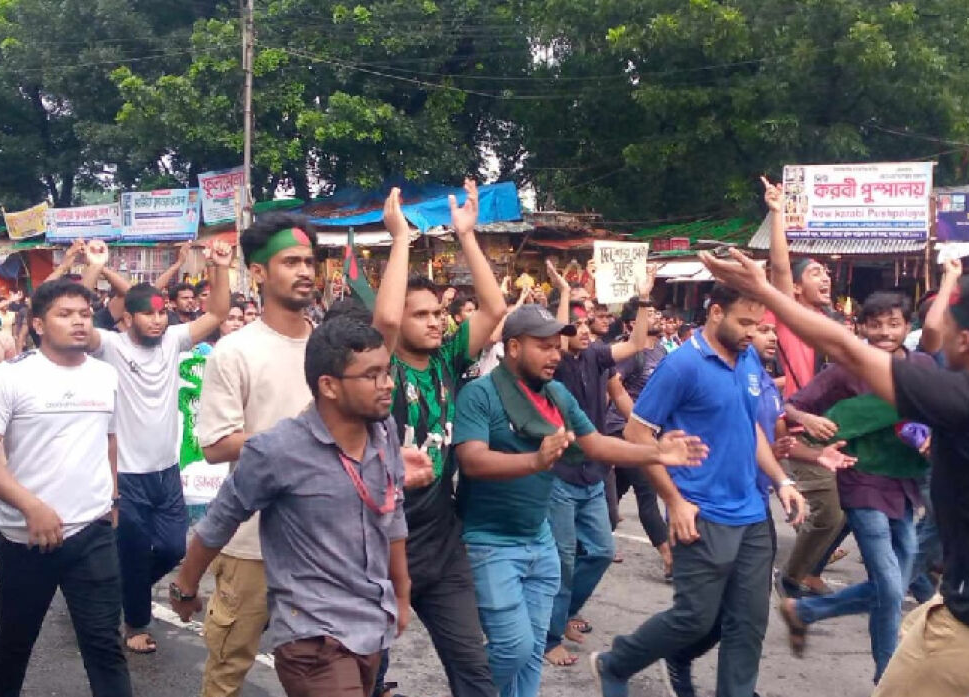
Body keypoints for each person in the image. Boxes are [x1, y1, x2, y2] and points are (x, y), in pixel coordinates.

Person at [700, 175, 969, 697]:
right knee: (908, 607)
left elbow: (849, 349)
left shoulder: (964, 398)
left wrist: (760, 289)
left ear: (966, 340)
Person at [453, 303, 707, 697]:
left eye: (558, 345)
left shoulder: (555, 393)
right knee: (512, 648)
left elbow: (596, 444)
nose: (556, 354)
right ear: (514, 347)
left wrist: (657, 452)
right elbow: (471, 461)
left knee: (533, 650)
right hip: (491, 543)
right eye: (545, 346)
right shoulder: (479, 393)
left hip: (539, 541)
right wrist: (535, 460)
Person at [172, 318, 410, 697]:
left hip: (370, 626)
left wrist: (401, 592)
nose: (388, 385)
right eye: (372, 375)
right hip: (312, 637)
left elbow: (392, 515)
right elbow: (221, 519)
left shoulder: (383, 434)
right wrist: (185, 586)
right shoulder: (277, 449)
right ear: (329, 386)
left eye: (387, 372)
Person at [589, 283, 806, 697]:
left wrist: (782, 481)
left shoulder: (747, 362)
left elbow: (752, 428)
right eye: (744, 322)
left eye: (756, 325)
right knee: (694, 618)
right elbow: (637, 432)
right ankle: (616, 664)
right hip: (700, 511)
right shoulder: (682, 365)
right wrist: (674, 500)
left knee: (748, 624)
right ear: (716, 313)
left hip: (753, 514)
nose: (751, 332)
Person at [0, 278, 132, 697]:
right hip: (27, 537)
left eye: (83, 313)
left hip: (92, 533)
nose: (79, 321)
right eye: (65, 314)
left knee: (105, 647)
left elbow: (109, 439)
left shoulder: (105, 376)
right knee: (16, 643)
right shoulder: (11, 376)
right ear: (38, 324)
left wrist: (112, 499)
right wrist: (30, 506)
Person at [370, 182, 505, 697]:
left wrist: (468, 237)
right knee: (364, 674)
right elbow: (383, 318)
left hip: (441, 538)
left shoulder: (447, 363)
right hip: (379, 542)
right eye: (420, 314)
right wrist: (401, 239)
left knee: (474, 668)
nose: (434, 322)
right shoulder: (379, 369)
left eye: (436, 314)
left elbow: (492, 312)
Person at [76, 239, 233, 654]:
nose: (159, 321)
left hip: (166, 473)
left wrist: (220, 267)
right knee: (130, 551)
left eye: (162, 313)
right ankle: (136, 624)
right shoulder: (109, 346)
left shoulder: (175, 341)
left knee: (171, 548)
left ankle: (120, 591)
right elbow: (77, 322)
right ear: (127, 319)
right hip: (125, 475)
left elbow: (217, 312)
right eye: (149, 314)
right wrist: (93, 267)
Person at [777, 292, 933, 684]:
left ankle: (806, 612)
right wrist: (808, 421)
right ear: (860, 327)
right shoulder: (846, 369)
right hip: (861, 482)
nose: (884, 332)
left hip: (906, 483)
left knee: (897, 580)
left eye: (893, 324)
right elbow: (792, 406)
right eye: (875, 324)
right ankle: (887, 678)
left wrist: (933, 435)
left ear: (907, 327)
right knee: (891, 585)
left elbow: (946, 409)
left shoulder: (923, 367)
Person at [195, 212, 320, 697]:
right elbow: (215, 445)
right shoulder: (234, 351)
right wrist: (300, 440)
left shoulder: (332, 347)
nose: (305, 270)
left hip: (323, 541)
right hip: (251, 541)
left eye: (309, 260)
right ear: (260, 274)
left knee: (322, 667)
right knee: (228, 670)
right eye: (291, 261)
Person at [544, 265, 656, 668]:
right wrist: (561, 293)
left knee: (602, 551)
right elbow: (555, 333)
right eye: (576, 322)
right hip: (559, 473)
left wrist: (644, 297)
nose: (586, 327)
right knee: (563, 558)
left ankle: (563, 614)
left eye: (589, 319)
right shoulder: (553, 362)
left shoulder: (597, 355)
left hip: (593, 471)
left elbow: (638, 343)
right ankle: (549, 636)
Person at [762, 177, 846, 599]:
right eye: (815, 272)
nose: (825, 277)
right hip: (799, 434)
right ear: (795, 289)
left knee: (855, 505)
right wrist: (778, 212)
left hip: (837, 431)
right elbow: (779, 268)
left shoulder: (834, 327)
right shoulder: (791, 316)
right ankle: (793, 576)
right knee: (830, 514)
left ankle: (810, 567)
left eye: (826, 271)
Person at [603, 301, 673, 580]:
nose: (658, 316)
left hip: (646, 432)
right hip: (621, 431)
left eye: (657, 312)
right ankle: (670, 557)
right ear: (633, 324)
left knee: (614, 494)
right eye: (652, 313)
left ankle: (593, 540)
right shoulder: (633, 353)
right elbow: (612, 386)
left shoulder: (660, 350)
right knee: (647, 489)